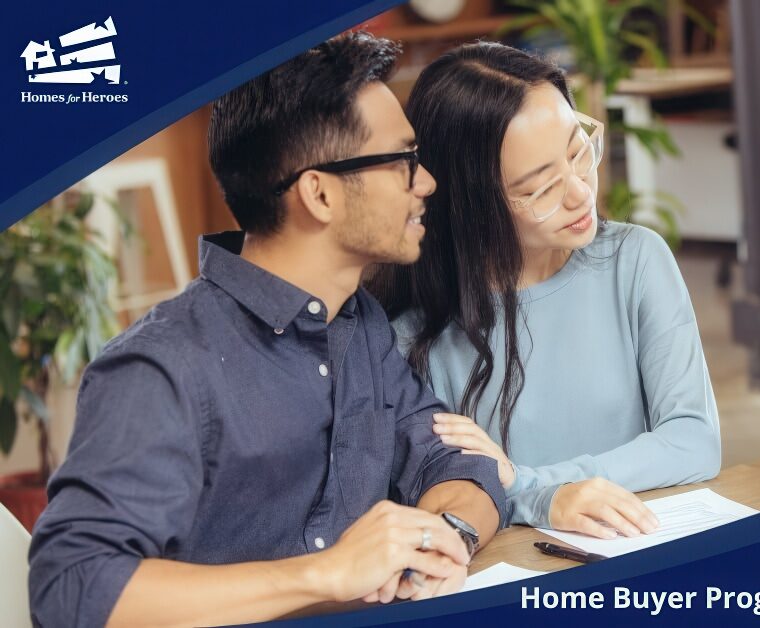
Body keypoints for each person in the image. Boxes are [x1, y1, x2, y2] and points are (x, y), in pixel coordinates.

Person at [27, 33, 501, 627]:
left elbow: (458, 463)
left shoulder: (358, 324)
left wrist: (442, 539)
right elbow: (71, 586)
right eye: (403, 161)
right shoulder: (162, 367)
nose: (425, 182)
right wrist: (323, 572)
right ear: (319, 193)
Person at [368, 42, 721, 538]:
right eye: (538, 188)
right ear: (472, 203)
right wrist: (538, 500)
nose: (579, 192)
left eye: (579, 152)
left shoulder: (636, 259)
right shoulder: (412, 334)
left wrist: (532, 487)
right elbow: (440, 500)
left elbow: (693, 442)